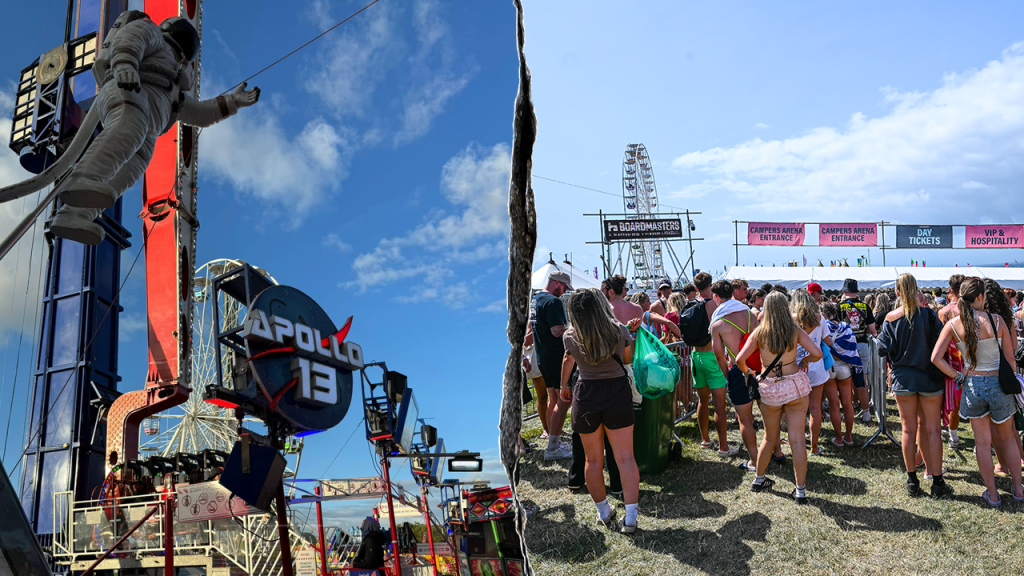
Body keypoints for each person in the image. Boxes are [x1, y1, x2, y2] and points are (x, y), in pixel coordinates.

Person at [49, 12, 261, 245]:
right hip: (128, 90)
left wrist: (234, 102)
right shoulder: (151, 33)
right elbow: (129, 42)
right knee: (128, 130)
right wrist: (126, 66)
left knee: (130, 169)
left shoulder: (173, 90)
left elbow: (201, 114)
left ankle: (74, 215)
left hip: (148, 124)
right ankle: (82, 179)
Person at [931, 278, 1024, 507]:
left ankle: (993, 495)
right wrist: (1012, 383)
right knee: (1008, 439)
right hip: (997, 384)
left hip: (973, 385)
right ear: (981, 297)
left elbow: (935, 358)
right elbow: (1010, 358)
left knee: (982, 443)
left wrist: (958, 376)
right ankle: (1019, 490)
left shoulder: (954, 324)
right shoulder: (997, 320)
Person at [558, 288, 641, 533]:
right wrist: (631, 338)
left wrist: (564, 386)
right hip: (616, 390)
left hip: (586, 393)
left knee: (593, 459)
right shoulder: (619, 330)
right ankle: (632, 516)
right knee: (625, 457)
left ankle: (604, 511)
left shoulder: (570, 336)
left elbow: (567, 360)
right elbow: (627, 360)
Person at [737, 292, 821, 503]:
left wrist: (748, 373)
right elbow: (818, 353)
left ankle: (759, 478)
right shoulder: (794, 330)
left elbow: (739, 359)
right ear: (786, 307)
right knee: (798, 439)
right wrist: (805, 360)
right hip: (794, 385)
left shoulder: (760, 332)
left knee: (769, 437)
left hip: (770, 388)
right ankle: (800, 490)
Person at [876, 274, 951, 498]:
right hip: (929, 379)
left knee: (908, 429)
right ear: (916, 290)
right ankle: (937, 481)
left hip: (903, 379)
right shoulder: (929, 315)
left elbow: (882, 349)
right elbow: (942, 344)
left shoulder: (890, 318)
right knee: (933, 429)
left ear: (898, 292)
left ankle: (912, 479)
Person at [709, 280, 761, 471]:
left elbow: (719, 355)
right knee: (768, 413)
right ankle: (777, 453)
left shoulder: (717, 324)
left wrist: (727, 376)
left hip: (738, 370)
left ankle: (755, 461)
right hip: (758, 367)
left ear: (716, 297)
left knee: (745, 419)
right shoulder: (748, 313)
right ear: (732, 293)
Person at [687, 273, 737, 456]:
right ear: (711, 285)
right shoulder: (711, 304)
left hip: (695, 355)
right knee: (719, 404)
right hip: (711, 356)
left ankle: (705, 440)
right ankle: (724, 447)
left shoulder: (691, 303)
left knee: (702, 401)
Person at [526, 271, 574, 461]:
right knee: (563, 399)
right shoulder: (552, 302)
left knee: (554, 398)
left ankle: (552, 437)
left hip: (543, 356)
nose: (563, 293)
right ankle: (553, 445)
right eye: (563, 288)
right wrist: (574, 329)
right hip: (555, 357)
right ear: (556, 283)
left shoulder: (536, 299)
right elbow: (556, 331)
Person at [791, 290, 831, 456]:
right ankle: (814, 447)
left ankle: (800, 443)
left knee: (798, 410)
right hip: (816, 365)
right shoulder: (820, 318)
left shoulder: (792, 319)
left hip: (796, 367)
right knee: (815, 408)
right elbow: (827, 342)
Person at [839, 279, 876, 423]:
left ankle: (849, 412)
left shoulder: (839, 306)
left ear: (844, 291)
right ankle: (866, 413)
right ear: (857, 291)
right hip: (861, 344)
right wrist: (861, 329)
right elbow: (872, 329)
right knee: (862, 380)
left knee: (845, 381)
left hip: (845, 347)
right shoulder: (865, 306)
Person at [822, 302, 858, 445]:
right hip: (845, 367)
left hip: (829, 366)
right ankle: (848, 437)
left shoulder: (823, 327)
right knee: (847, 404)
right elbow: (852, 347)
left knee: (834, 405)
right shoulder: (846, 327)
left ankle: (838, 438)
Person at [938, 274, 966, 448]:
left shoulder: (942, 312)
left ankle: (953, 437)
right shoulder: (968, 311)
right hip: (965, 359)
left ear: (950, 291)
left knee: (951, 399)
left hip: (946, 360)